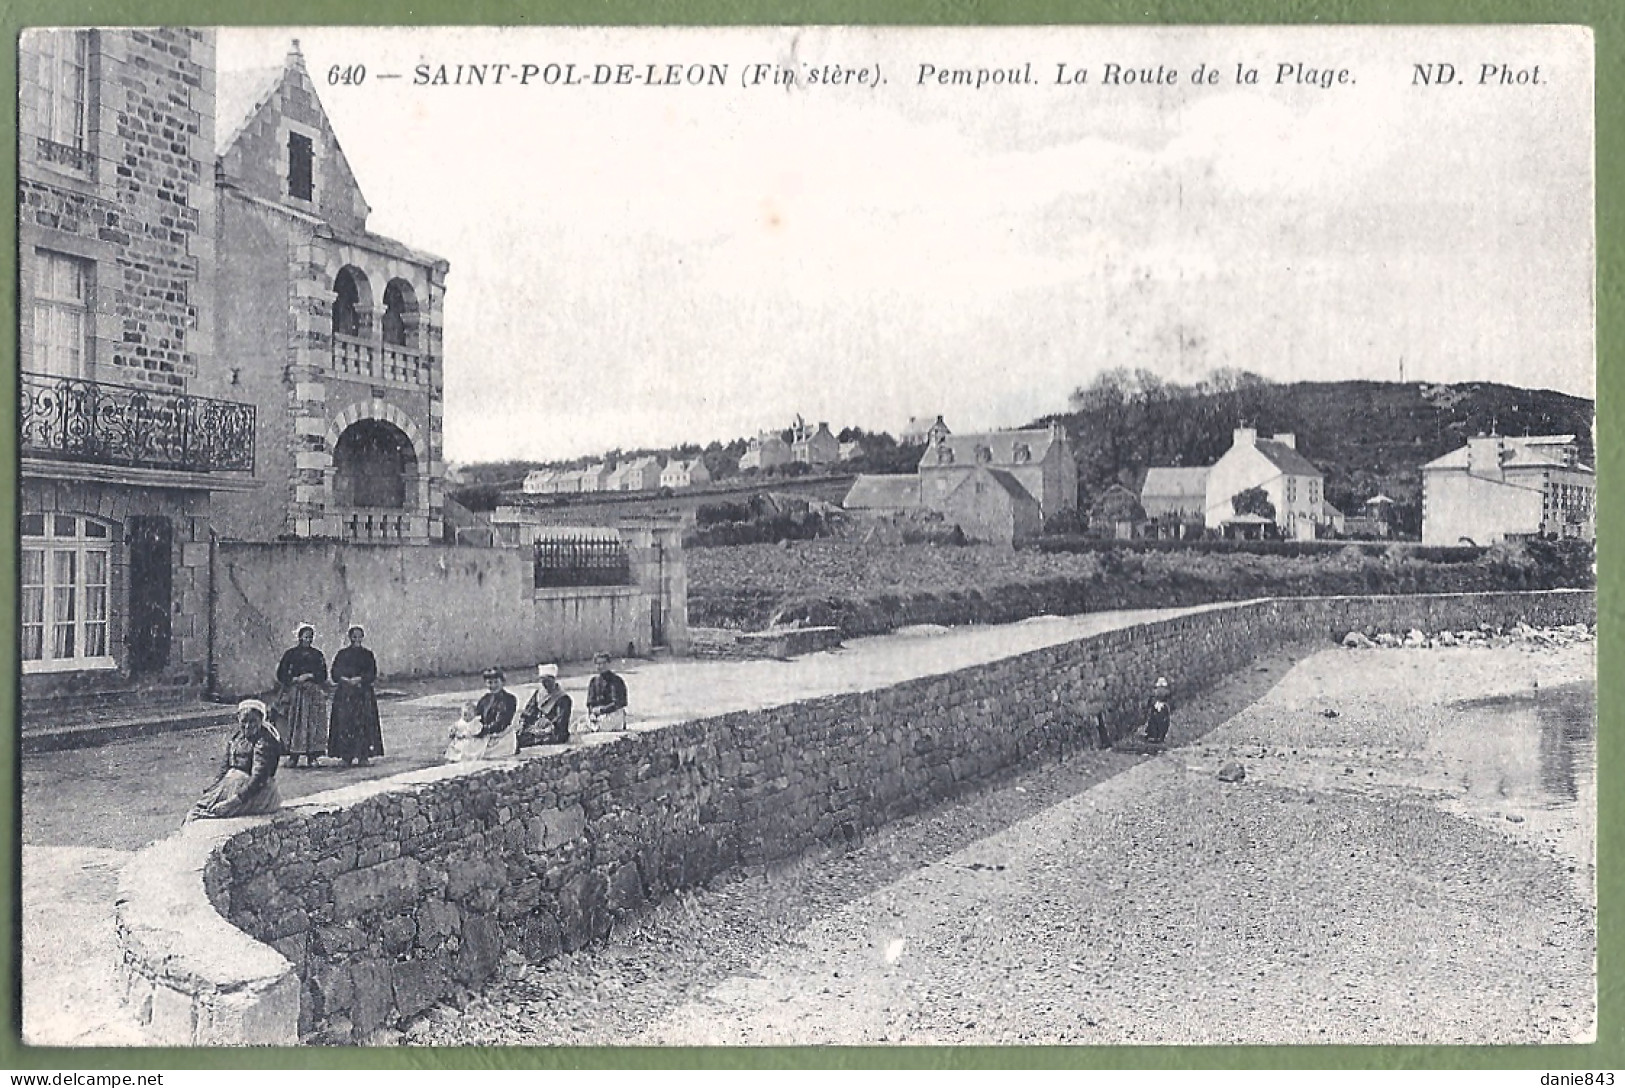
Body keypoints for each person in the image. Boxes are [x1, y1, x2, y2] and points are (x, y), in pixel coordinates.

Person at [186, 700, 284, 821]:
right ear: (238, 720)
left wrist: (232, 802)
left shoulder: (264, 742)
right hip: (235, 786)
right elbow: (224, 768)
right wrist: (213, 790)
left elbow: (259, 778)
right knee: (199, 810)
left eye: (253, 721)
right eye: (244, 722)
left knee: (210, 814)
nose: (248, 726)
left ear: (261, 721)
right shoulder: (237, 738)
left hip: (256, 793)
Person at [328, 624, 384, 767]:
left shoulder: (368, 655)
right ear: (350, 637)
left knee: (363, 725)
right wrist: (345, 680)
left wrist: (360, 679)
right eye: (354, 636)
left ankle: (363, 755)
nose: (357, 639)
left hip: (362, 694)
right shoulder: (342, 654)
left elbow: (372, 673)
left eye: (359, 636)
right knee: (345, 724)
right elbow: (335, 672)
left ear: (363, 638)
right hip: (345, 694)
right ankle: (346, 756)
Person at [275, 622, 329, 768]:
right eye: (305, 637)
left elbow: (323, 674)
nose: (308, 640)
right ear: (299, 637)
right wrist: (293, 679)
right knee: (295, 723)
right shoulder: (291, 654)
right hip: (296, 693)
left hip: (312, 693)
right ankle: (294, 756)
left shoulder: (317, 655)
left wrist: (310, 675)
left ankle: (313, 756)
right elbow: (281, 673)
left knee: (313, 724)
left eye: (310, 637)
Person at [517, 663, 572, 747]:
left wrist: (548, 723)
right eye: (542, 680)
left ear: (553, 679)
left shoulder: (563, 698)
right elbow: (528, 712)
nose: (545, 684)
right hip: (536, 729)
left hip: (553, 732)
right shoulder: (538, 694)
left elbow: (561, 721)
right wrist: (523, 723)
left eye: (548, 680)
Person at [470, 667, 519, 759]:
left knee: (478, 754)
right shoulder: (484, 699)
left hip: (501, 737)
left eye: (496, 682)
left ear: (503, 682)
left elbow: (501, 723)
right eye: (489, 683)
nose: (493, 685)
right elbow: (477, 718)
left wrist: (482, 731)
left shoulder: (509, 699)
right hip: (485, 735)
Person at [585, 652, 628, 733]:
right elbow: (590, 702)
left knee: (601, 727)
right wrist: (592, 713)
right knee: (578, 727)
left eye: (603, 663)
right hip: (597, 715)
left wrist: (602, 710)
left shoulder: (616, 681)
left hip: (613, 714)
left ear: (609, 664)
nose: (600, 666)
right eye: (598, 663)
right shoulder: (594, 681)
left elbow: (618, 703)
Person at [1143, 676, 1174, 745]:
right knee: (1153, 720)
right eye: (1159, 687)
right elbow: (1150, 705)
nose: (1161, 690)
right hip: (1156, 708)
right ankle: (1152, 735)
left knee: (1163, 722)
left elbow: (1169, 703)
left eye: (1162, 687)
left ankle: (1160, 737)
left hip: (1162, 709)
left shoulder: (1167, 697)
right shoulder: (1154, 696)